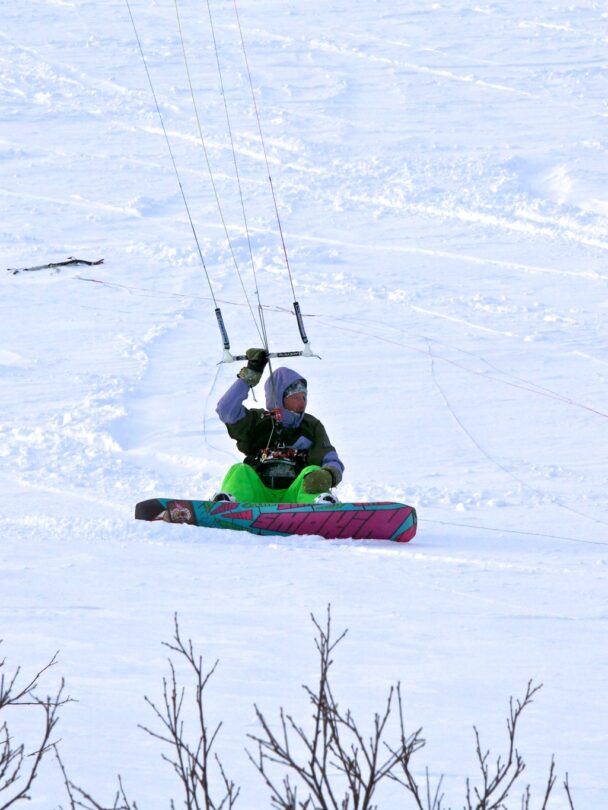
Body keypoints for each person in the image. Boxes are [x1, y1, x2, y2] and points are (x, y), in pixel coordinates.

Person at [214, 348, 344, 504]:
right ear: (278, 398)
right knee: (239, 470)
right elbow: (226, 410)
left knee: (312, 471)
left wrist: (329, 473)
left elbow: (330, 458)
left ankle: (320, 508)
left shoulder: (311, 426)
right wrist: (250, 374)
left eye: (304, 397)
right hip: (257, 498)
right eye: (296, 397)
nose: (302, 403)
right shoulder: (258, 420)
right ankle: (228, 506)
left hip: (296, 497)